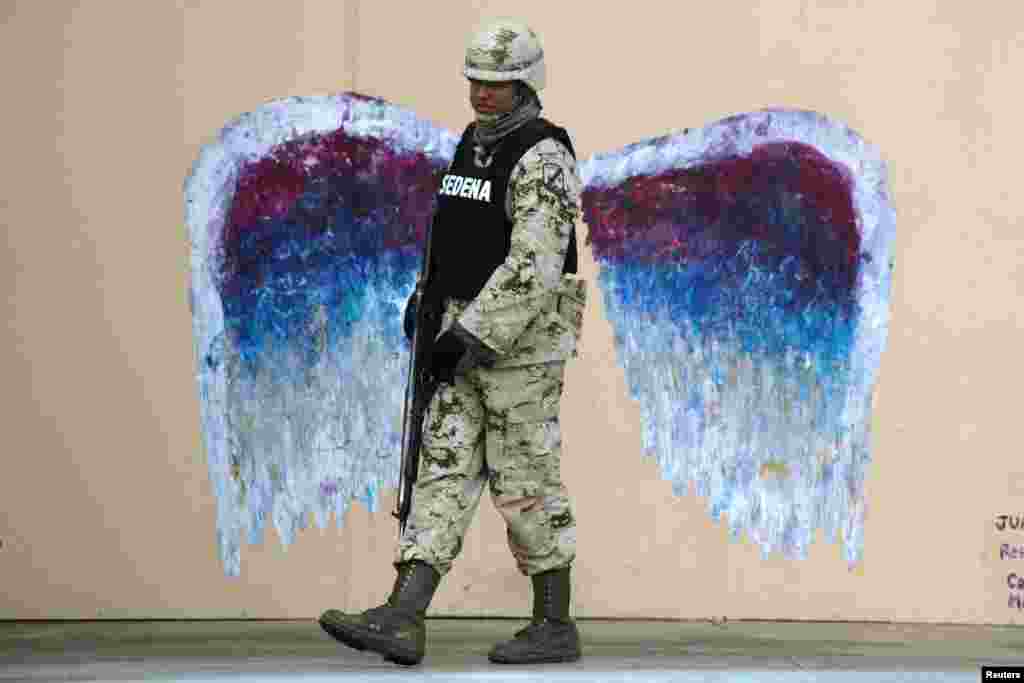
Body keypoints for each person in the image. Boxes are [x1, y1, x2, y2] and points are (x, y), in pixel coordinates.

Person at [318, 17, 587, 667]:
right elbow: (459, 235)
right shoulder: (473, 144)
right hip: (458, 336)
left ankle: (554, 622)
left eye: (496, 81)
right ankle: (404, 613)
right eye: (476, 78)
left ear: (525, 82)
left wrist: (469, 332)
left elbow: (535, 265)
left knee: (525, 477)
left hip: (517, 347)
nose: (482, 91)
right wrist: (429, 299)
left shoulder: (543, 153)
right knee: (439, 467)